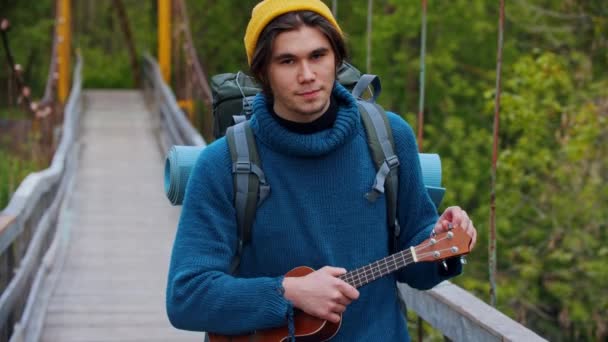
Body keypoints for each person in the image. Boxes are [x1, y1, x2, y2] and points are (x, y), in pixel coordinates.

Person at [166, 0, 477, 340]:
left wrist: (442, 241)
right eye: (287, 61)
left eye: (318, 56)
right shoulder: (223, 164)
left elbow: (417, 264)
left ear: (337, 59)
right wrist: (286, 293)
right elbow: (186, 296)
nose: (307, 75)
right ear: (263, 72)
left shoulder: (389, 138)